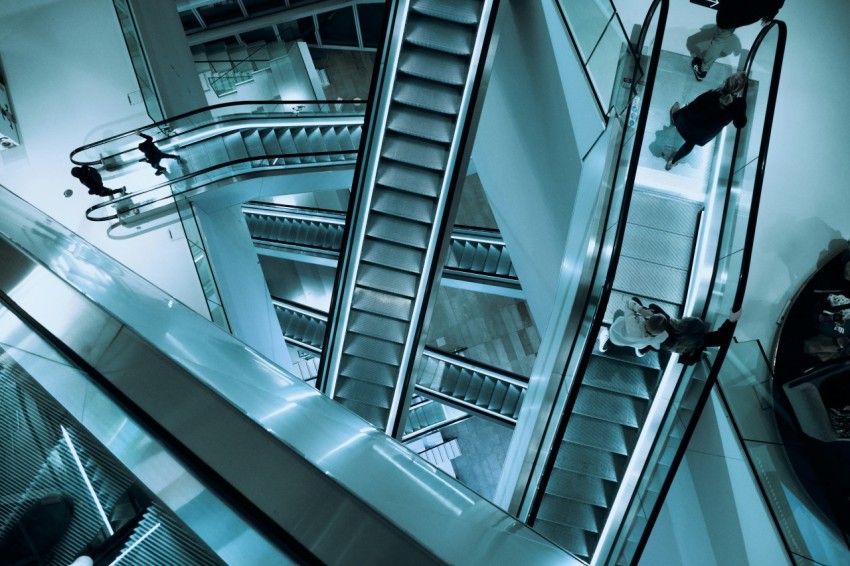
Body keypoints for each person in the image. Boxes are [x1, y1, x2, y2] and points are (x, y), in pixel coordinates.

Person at [666, 71, 748, 171]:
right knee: (690, 143)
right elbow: (739, 124)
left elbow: (693, 106)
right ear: (739, 90)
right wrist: (739, 110)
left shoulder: (712, 94)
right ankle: (672, 162)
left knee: (678, 109)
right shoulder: (739, 104)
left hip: (687, 124)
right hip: (703, 135)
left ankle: (674, 118)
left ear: (725, 82)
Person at [692, 0, 785, 81]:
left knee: (720, 39)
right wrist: (769, 16)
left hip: (733, 10)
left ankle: (702, 71)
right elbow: (777, 3)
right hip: (752, 13)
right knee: (730, 27)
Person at [650, 306, 742, 365]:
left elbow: (653, 306)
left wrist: (731, 320)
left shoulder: (667, 323)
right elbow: (720, 338)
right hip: (654, 343)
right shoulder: (695, 343)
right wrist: (731, 320)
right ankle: (642, 349)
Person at [598, 297, 669, 357]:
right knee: (645, 345)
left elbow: (629, 304)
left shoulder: (633, 325)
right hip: (639, 343)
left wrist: (642, 310)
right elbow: (657, 347)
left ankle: (603, 347)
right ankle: (640, 352)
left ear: (649, 319)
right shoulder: (662, 337)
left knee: (621, 311)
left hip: (616, 336)